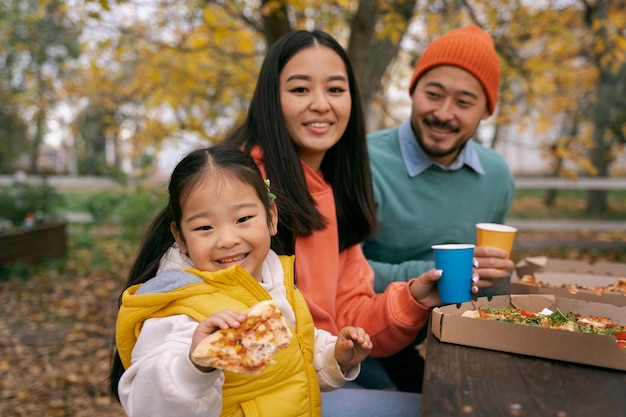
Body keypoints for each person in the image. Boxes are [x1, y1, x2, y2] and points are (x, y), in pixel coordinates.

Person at [222, 29, 478, 410]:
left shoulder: (330, 188)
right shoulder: (241, 185)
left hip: (317, 375)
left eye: (336, 90)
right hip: (252, 394)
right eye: (300, 89)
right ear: (270, 100)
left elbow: (350, 315)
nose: (321, 104)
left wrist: (412, 299)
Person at [109, 145, 375, 417]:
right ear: (180, 237)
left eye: (243, 219)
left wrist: (335, 357)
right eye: (204, 227)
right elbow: (148, 404)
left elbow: (294, 356)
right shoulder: (181, 310)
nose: (227, 240)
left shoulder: (273, 277)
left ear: (271, 216)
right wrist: (195, 365)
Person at [362, 24, 516, 392]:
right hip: (360, 337)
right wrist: (440, 274)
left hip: (448, 339)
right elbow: (331, 275)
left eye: (464, 103)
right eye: (433, 94)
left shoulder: (496, 175)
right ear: (413, 91)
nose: (444, 114)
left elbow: (490, 279)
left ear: (485, 111)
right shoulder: (361, 161)